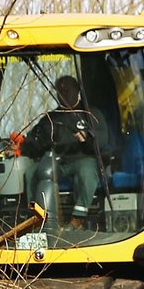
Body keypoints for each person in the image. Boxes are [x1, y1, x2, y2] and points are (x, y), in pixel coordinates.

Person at [22, 75, 108, 229]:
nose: (63, 93)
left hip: (82, 158)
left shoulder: (90, 114)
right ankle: (35, 218)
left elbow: (103, 139)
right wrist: (21, 145)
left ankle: (77, 219)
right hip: (57, 161)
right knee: (31, 172)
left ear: (77, 91)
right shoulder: (51, 118)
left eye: (67, 90)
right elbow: (34, 142)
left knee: (87, 171)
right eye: (60, 91)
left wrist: (87, 139)